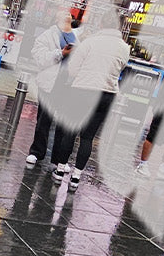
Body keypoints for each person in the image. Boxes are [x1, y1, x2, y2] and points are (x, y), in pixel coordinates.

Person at [50, 11, 130, 184]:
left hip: (83, 90)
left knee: (70, 132)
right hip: (107, 94)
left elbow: (72, 69)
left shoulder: (90, 43)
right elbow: (120, 68)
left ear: (101, 24)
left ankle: (60, 169)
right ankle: (77, 176)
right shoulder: (125, 48)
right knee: (88, 137)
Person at [25, 10, 76, 166]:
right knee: (44, 120)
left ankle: (59, 159)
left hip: (69, 85)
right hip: (49, 83)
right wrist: (60, 53)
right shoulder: (47, 36)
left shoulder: (78, 38)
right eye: (64, 16)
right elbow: (40, 58)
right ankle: (36, 152)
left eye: (69, 17)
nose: (67, 18)